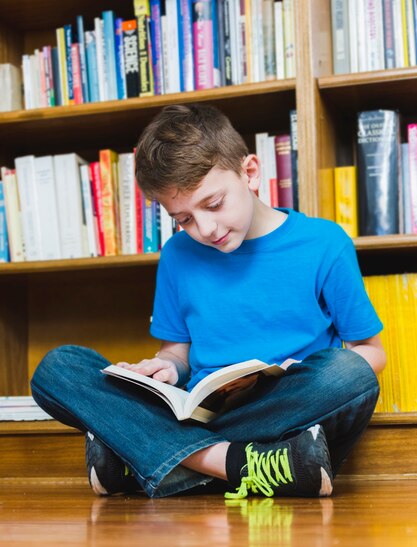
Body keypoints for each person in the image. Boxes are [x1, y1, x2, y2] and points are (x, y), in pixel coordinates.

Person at [31, 104, 386, 500]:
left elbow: (369, 352)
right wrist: (165, 368)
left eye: (214, 204)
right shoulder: (177, 255)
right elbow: (177, 354)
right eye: (183, 219)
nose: (205, 229)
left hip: (282, 404)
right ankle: (254, 465)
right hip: (200, 412)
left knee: (348, 375)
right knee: (58, 368)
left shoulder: (324, 243)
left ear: (250, 173)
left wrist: (294, 370)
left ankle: (142, 460)